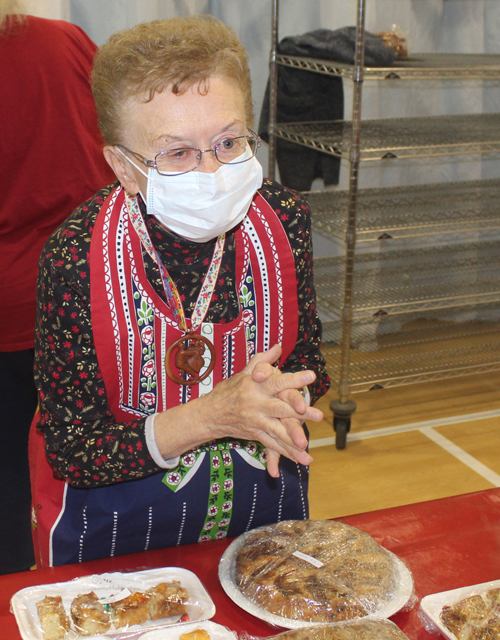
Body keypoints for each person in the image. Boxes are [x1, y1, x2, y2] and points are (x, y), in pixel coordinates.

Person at [31, 15, 331, 568]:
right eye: (176, 152)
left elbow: (308, 358)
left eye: (228, 141)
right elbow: (75, 448)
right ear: (123, 165)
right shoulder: (76, 257)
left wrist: (290, 398)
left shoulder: (284, 222)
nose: (212, 170)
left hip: (258, 516)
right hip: (117, 538)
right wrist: (210, 417)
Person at [0, 0, 115, 574]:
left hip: (12, 314)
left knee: (6, 487)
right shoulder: (65, 42)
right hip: (90, 299)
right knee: (97, 467)